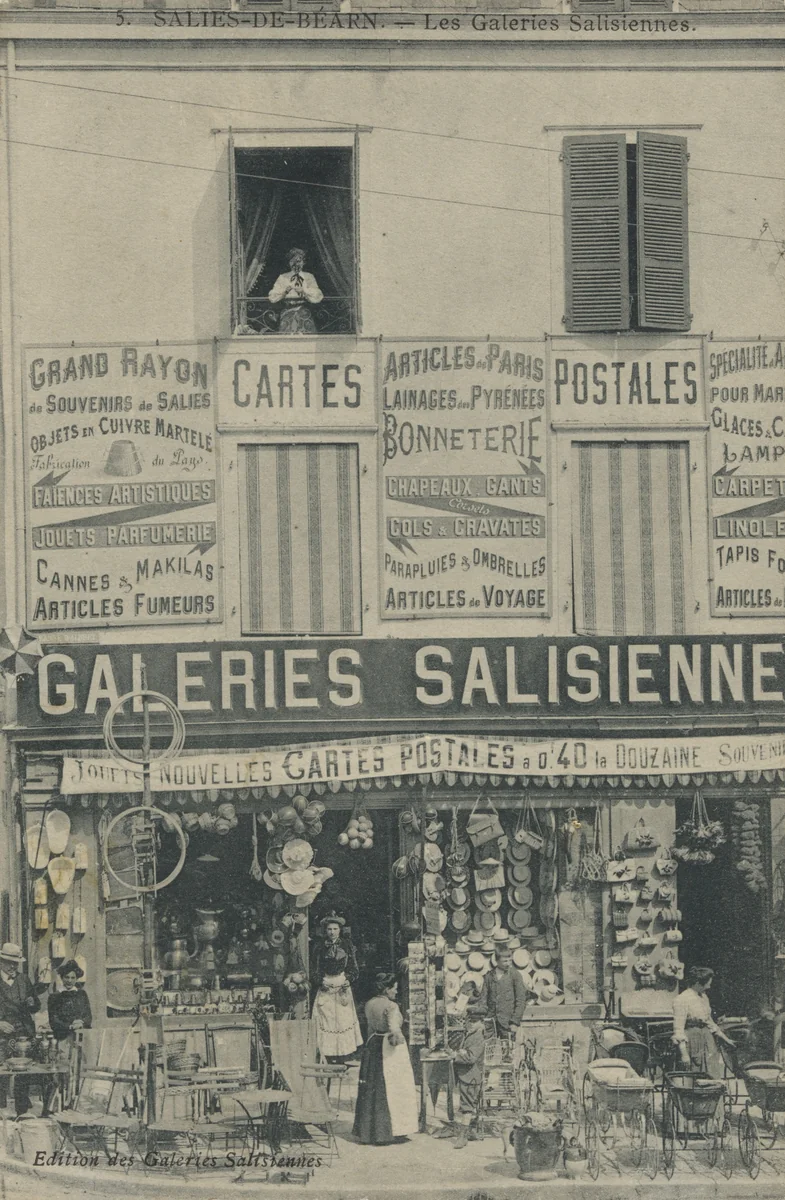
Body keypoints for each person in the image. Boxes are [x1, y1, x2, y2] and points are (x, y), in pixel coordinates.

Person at [352, 971, 418, 1145]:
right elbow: (394, 1032)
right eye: (394, 989)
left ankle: (368, 1132)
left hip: (372, 1044)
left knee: (372, 1087)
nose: (396, 992)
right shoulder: (392, 1006)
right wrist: (403, 1030)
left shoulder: (369, 1003)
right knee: (392, 1088)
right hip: (388, 1048)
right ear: (387, 989)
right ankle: (387, 1132)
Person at [310, 913, 362, 1062]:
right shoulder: (319, 947)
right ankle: (328, 1054)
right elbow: (314, 968)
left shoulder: (347, 945)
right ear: (325, 931)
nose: (332, 932)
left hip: (342, 984)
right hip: (326, 984)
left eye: (335, 929)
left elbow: (354, 968)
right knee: (327, 1019)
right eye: (329, 929)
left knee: (343, 1019)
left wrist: (348, 980)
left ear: (340, 930)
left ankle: (344, 1054)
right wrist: (321, 981)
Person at [672, 965, 734, 1078]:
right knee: (694, 1073)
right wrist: (684, 1054)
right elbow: (678, 1029)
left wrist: (725, 1038)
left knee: (712, 1071)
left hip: (707, 1039)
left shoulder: (704, 997)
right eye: (708, 983)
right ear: (698, 983)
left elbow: (709, 1021)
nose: (709, 987)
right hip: (692, 1041)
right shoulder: (682, 999)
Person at [0, 943, 40, 1116]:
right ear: (1, 961)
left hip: (23, 1034)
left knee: (24, 1074)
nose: (13, 966)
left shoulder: (24, 980)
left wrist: (33, 1003)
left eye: (15, 963)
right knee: (1, 1073)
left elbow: (36, 1004)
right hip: (2, 1035)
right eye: (9, 962)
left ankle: (21, 1113)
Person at [448, 980, 486, 1149]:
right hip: (467, 1074)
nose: (467, 1024)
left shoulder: (477, 1036)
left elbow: (470, 1057)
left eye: (471, 1021)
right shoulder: (472, 1033)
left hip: (470, 1075)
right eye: (467, 1021)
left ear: (478, 1022)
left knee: (466, 1106)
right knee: (469, 1103)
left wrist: (456, 1055)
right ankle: (471, 1131)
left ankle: (462, 1136)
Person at [268, 248, 324, 334]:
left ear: (303, 262)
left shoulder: (308, 277)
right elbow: (272, 296)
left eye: (299, 261)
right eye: (292, 261)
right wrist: (284, 292)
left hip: (303, 312)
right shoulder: (283, 277)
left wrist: (305, 291)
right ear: (289, 263)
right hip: (287, 312)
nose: (296, 264)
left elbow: (318, 294)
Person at [479, 945, 526, 1038]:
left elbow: (521, 1001)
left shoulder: (515, 975)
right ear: (496, 961)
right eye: (505, 961)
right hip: (490, 1023)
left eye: (510, 960)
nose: (508, 963)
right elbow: (483, 999)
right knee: (489, 1049)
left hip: (508, 1023)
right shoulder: (489, 976)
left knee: (508, 1050)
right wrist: (483, 1019)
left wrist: (515, 1022)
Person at [48, 960, 92, 1042]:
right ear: (62, 978)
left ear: (76, 979)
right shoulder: (54, 997)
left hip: (82, 1036)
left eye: (72, 978)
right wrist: (70, 1026)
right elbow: (54, 1021)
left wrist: (81, 1023)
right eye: (67, 977)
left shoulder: (82, 994)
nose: (69, 980)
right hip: (63, 1037)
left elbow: (88, 1016)